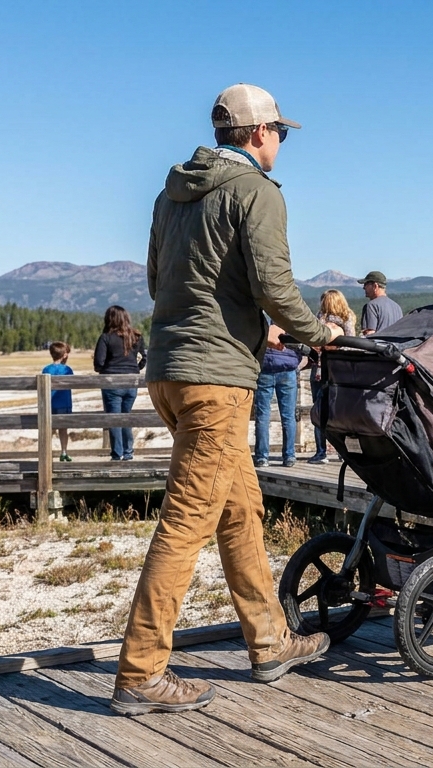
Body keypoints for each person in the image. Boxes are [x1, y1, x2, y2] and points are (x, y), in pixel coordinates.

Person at [111, 83, 336, 716]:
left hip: (168, 370)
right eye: (280, 133)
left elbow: (159, 280)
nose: (282, 143)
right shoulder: (256, 193)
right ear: (260, 133)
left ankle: (268, 643)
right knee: (186, 523)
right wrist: (318, 334)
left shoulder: (170, 193)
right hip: (217, 380)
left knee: (241, 509)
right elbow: (274, 283)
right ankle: (141, 672)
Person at [307, 290, 356, 464]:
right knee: (341, 412)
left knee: (319, 411)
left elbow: (312, 343)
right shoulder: (348, 318)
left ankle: (321, 452)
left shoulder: (319, 319)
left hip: (320, 370)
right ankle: (344, 452)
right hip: (340, 371)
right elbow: (351, 344)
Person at [95, 305, 146, 461]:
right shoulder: (136, 337)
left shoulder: (106, 337)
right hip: (131, 382)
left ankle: (117, 454)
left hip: (112, 382)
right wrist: (135, 369)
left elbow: (98, 362)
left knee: (114, 419)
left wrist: (105, 370)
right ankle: (128, 452)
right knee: (126, 416)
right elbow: (145, 358)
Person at [254, 325, 301, 468]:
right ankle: (289, 456)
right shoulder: (289, 320)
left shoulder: (261, 319)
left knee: (262, 415)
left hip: (265, 368)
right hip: (287, 368)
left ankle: (262, 457)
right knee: (288, 416)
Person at [43, 341, 74, 462]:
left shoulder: (46, 369)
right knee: (63, 429)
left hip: (49, 403)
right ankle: (64, 451)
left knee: (49, 430)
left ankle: (46, 452)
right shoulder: (67, 370)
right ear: (64, 355)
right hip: (64, 403)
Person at [358, 271, 402, 335]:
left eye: (366, 284)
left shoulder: (371, 306)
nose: (364, 287)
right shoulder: (397, 307)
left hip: (379, 344)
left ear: (375, 286)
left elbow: (369, 333)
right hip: (396, 344)